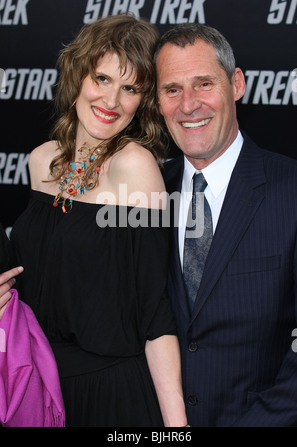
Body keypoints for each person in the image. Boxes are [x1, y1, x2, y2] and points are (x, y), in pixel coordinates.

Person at [6, 14, 188, 427]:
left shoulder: (135, 167)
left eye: (130, 89)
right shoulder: (41, 161)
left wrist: (177, 428)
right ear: (77, 76)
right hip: (40, 385)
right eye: (102, 79)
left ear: (143, 102)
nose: (111, 101)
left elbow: (154, 313)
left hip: (109, 392)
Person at [155, 23, 297, 426]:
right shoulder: (144, 195)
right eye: (172, 90)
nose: (188, 105)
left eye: (203, 84)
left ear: (236, 84)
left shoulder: (293, 192)